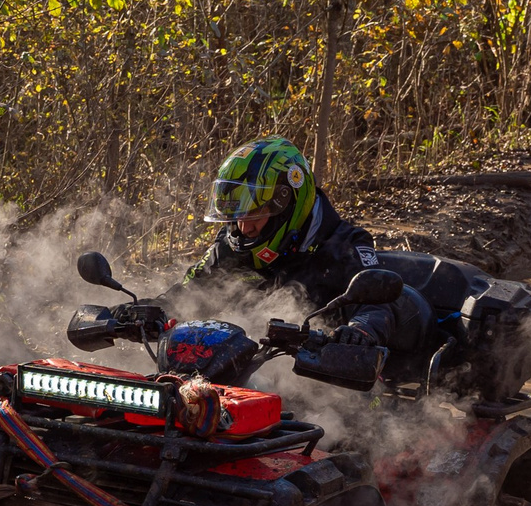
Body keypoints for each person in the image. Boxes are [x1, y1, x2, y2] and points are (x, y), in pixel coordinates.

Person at [177, 135, 427, 350]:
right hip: (241, 368)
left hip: (320, 380)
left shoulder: (344, 245)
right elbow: (192, 289)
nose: (244, 227)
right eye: (237, 217)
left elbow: (376, 305)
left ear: (287, 206)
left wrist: (360, 331)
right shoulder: (235, 241)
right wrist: (155, 310)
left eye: (254, 214)